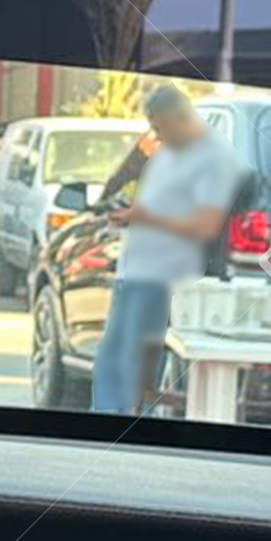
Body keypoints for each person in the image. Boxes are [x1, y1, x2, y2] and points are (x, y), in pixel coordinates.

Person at [89, 84, 241, 417]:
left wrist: (143, 216)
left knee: (133, 371)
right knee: (112, 364)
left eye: (159, 128)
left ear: (180, 118)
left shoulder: (211, 159)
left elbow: (205, 225)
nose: (156, 136)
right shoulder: (168, 154)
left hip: (164, 277)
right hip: (135, 271)